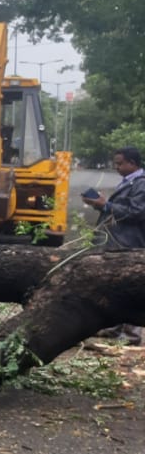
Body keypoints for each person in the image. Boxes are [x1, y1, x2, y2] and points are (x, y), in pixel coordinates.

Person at [83, 147, 145, 344]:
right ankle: (114, 328)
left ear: (132, 164)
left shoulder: (141, 184)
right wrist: (100, 204)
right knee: (115, 286)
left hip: (130, 243)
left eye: (119, 163)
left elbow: (137, 212)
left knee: (130, 287)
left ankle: (131, 335)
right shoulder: (130, 182)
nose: (116, 167)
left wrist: (106, 205)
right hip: (119, 241)